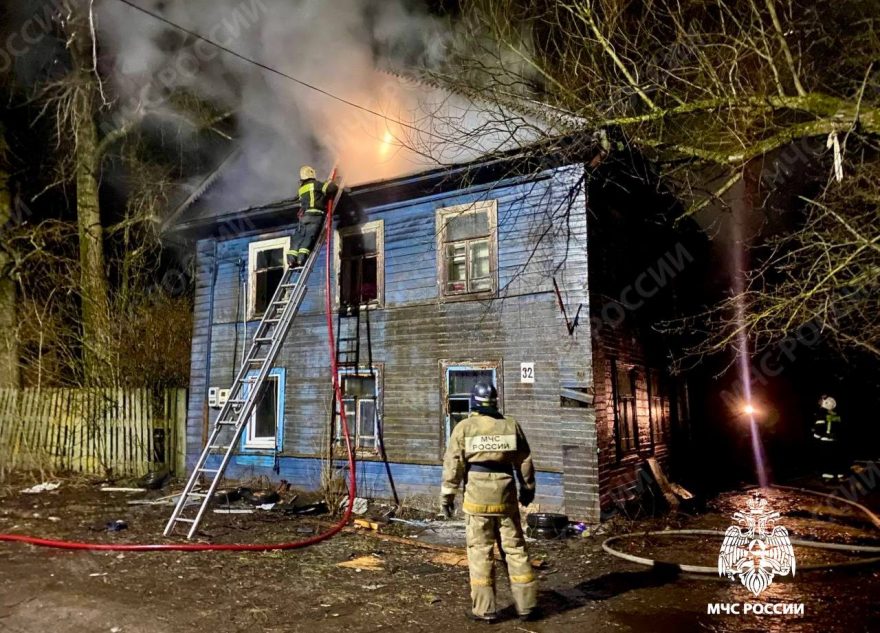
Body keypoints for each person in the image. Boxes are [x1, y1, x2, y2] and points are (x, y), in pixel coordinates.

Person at [440, 382, 538, 623]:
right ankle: (527, 605)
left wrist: (447, 497)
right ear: (495, 401)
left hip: (476, 500)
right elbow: (524, 461)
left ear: (474, 402)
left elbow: (453, 464)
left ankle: (485, 609)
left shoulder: (464, 427)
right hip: (505, 499)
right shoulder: (510, 425)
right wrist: (527, 489)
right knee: (515, 549)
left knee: (480, 552)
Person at [287, 165, 338, 267]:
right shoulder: (316, 184)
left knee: (299, 236)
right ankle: (301, 259)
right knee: (309, 236)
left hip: (304, 217)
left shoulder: (301, 189)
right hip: (315, 215)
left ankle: (291, 259)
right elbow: (331, 189)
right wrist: (332, 183)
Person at [813, 395, 847, 480]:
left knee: (826, 458)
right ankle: (839, 474)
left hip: (825, 441)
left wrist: (815, 437)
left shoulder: (821, 415)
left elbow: (819, 428)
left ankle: (827, 475)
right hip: (835, 441)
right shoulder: (836, 416)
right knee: (836, 458)